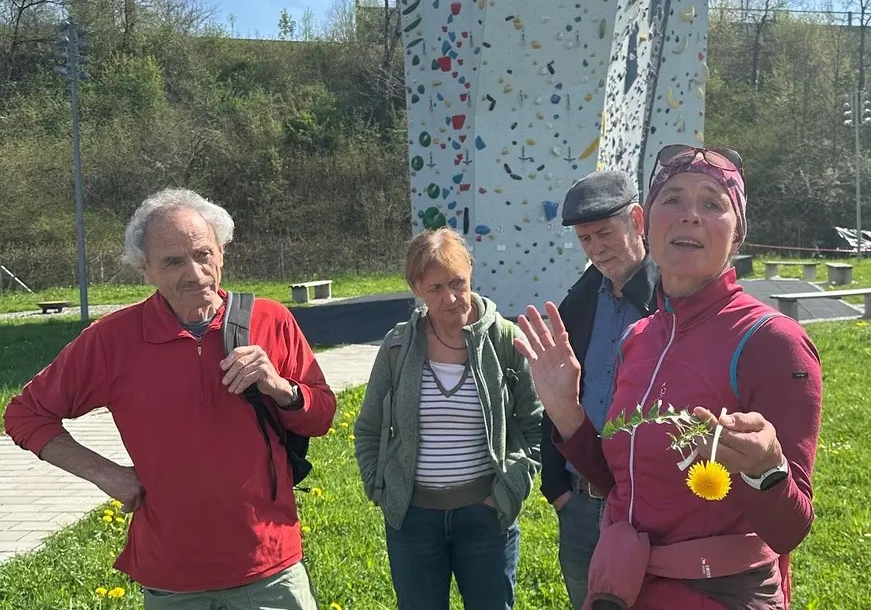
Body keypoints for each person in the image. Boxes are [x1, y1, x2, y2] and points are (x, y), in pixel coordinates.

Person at [514, 146, 823, 610]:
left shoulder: (772, 340)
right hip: (625, 587)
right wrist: (567, 413)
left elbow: (789, 530)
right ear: (650, 220)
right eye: (673, 198)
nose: (690, 215)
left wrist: (766, 469)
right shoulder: (639, 337)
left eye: (712, 203)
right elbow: (625, 483)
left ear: (737, 234)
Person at [3, 188, 336, 609]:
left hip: (269, 566)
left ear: (222, 251)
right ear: (146, 270)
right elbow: (25, 414)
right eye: (173, 262)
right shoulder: (113, 339)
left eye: (203, 254)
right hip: (173, 576)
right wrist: (107, 475)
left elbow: (321, 417)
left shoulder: (271, 320)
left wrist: (280, 387)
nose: (195, 273)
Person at [353, 228, 543, 610]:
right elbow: (369, 428)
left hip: (486, 519)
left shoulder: (505, 340)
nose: (451, 298)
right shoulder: (398, 346)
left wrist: (510, 487)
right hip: (413, 521)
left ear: (471, 271)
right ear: (416, 288)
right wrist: (382, 488)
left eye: (458, 283)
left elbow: (536, 425)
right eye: (436, 288)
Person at [548, 170, 660, 608]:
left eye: (605, 233)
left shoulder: (672, 299)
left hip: (647, 505)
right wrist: (557, 488)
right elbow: (552, 395)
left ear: (637, 220)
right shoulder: (577, 303)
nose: (595, 249)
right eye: (585, 239)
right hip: (578, 502)